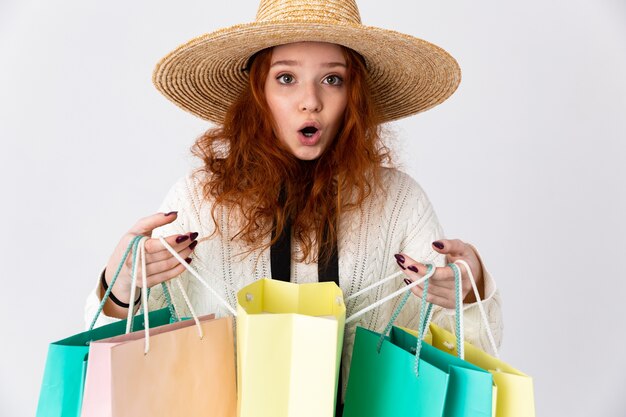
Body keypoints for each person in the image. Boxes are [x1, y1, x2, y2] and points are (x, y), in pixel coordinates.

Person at [85, 0, 502, 407]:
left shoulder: (400, 200)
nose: (310, 101)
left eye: (332, 79)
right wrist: (120, 288)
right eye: (286, 78)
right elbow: (125, 359)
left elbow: (458, 358)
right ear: (258, 93)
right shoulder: (197, 198)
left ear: (353, 94)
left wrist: (470, 292)